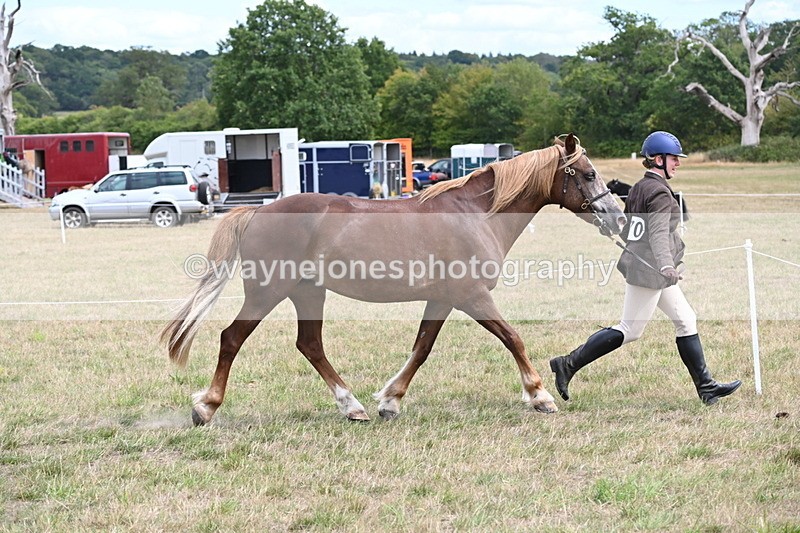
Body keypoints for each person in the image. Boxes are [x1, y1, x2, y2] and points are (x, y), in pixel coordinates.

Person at [549, 131, 741, 405]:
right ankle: (567, 363)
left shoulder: (639, 187)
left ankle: (706, 387)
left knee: (686, 319)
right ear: (658, 159)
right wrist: (666, 264)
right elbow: (659, 234)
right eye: (674, 158)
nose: (678, 163)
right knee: (630, 329)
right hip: (651, 270)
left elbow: (630, 226)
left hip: (645, 265)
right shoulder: (661, 193)